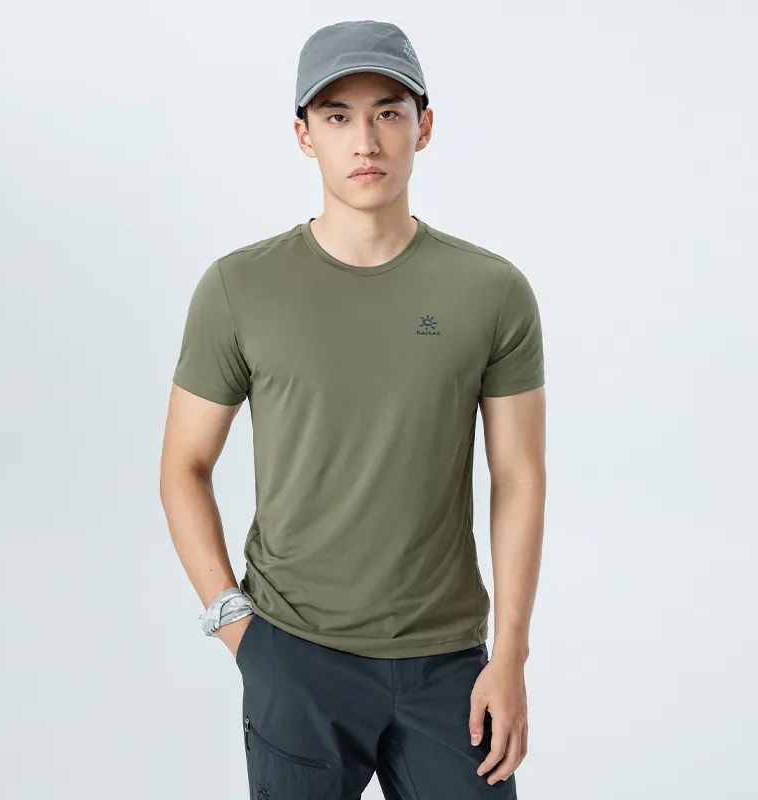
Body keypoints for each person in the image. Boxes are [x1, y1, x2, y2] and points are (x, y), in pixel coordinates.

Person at [160, 19, 546, 799]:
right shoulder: (240, 288)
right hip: (295, 655)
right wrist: (239, 631)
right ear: (304, 136)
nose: (365, 141)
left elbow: (519, 475)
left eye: (388, 112)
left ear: (423, 127)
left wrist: (510, 655)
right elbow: (184, 466)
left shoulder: (491, 291)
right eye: (337, 116)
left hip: (449, 665)